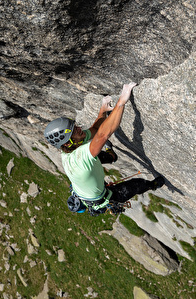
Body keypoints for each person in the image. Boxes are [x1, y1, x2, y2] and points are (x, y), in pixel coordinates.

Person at [44, 82, 165, 215]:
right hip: (101, 198)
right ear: (67, 143)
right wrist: (121, 102)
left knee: (99, 155)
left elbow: (95, 129)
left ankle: (111, 155)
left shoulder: (72, 145)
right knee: (138, 184)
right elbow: (102, 135)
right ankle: (153, 186)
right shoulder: (80, 157)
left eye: (75, 126)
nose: (78, 128)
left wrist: (103, 110)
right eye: (73, 131)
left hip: (85, 181)